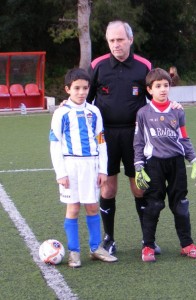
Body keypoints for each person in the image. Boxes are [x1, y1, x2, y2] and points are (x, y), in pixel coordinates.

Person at [87, 20, 183, 256]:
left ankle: (146, 240)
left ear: (130, 39)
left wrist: (172, 106)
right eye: (111, 40)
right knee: (108, 189)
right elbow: (85, 100)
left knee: (140, 187)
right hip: (105, 136)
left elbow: (156, 96)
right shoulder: (97, 66)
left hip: (137, 135)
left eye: (120, 40)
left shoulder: (144, 66)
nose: (116, 45)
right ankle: (109, 238)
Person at [49, 68, 118, 268]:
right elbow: (55, 143)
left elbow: (101, 141)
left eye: (85, 88)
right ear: (67, 89)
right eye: (76, 88)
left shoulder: (94, 111)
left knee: (92, 206)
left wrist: (103, 169)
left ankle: (96, 248)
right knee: (73, 208)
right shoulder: (61, 113)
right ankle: (74, 252)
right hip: (70, 166)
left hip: (91, 165)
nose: (81, 92)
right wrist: (60, 173)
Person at [134, 68, 196, 262]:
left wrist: (194, 159)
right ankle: (148, 246)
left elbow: (184, 137)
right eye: (158, 86)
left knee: (180, 204)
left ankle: (187, 244)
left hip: (176, 163)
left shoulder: (177, 111)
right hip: (154, 164)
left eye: (166, 85)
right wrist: (139, 165)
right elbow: (138, 141)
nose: (163, 89)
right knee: (154, 205)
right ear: (149, 89)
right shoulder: (143, 113)